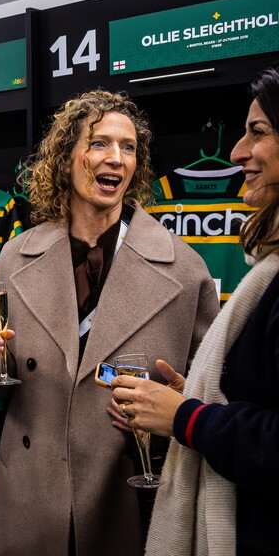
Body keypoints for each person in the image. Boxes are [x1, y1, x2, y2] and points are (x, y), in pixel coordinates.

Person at [0, 89, 220, 556]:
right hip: (27, 494)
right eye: (100, 143)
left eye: (128, 147)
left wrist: (173, 408)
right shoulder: (15, 257)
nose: (116, 159)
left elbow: (210, 395)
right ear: (65, 158)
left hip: (127, 497)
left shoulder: (184, 270)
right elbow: (4, 387)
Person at [113, 64, 279, 556]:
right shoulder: (267, 266)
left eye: (259, 131)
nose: (236, 153)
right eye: (97, 143)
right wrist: (197, 397)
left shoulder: (185, 261)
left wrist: (187, 416)